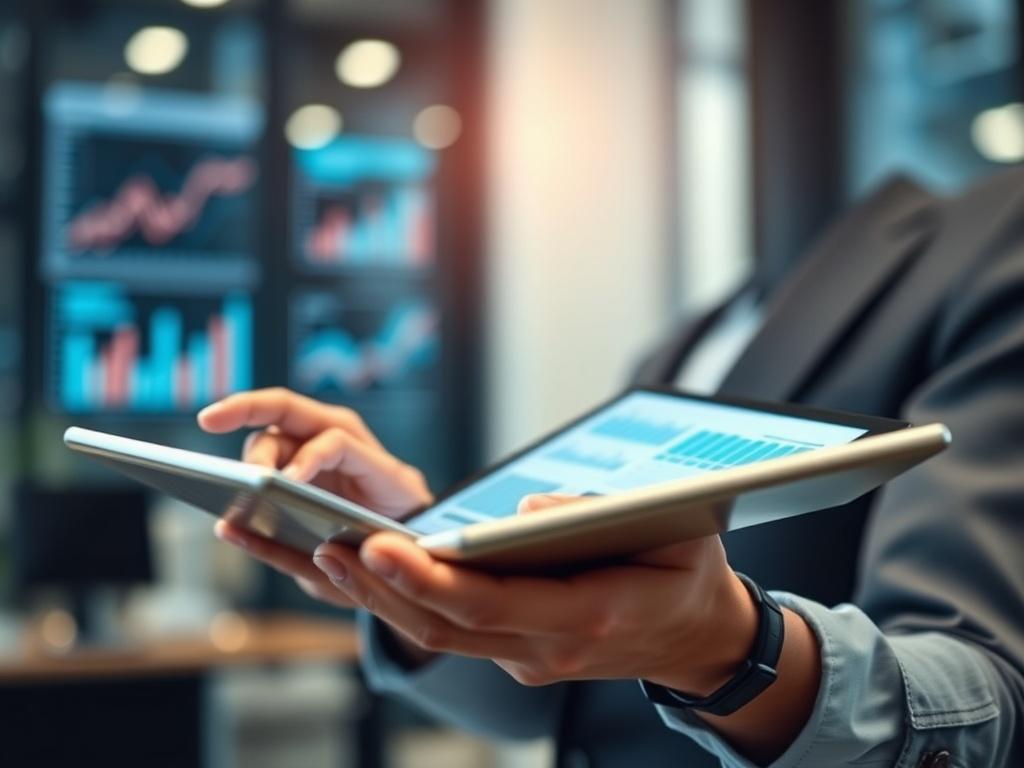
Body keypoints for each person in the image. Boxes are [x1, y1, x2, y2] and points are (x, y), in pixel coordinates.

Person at [198, 169, 1024, 767]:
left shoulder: (995, 232)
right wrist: (420, 544)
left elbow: (990, 702)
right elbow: (550, 696)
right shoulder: (697, 333)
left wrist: (736, 650)